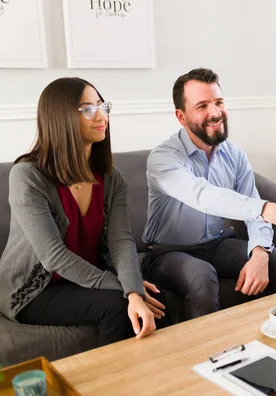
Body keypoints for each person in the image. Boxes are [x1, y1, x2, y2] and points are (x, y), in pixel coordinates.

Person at [141, 68, 276, 321]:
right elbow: (203, 196)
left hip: (216, 244)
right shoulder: (163, 158)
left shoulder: (234, 154)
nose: (215, 113)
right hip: (168, 252)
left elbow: (251, 204)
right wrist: (271, 210)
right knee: (201, 276)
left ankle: (273, 350)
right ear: (181, 116)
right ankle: (209, 357)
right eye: (202, 106)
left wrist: (259, 251)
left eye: (218, 102)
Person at [0, 77, 168, 346]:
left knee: (161, 300)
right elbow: (53, 256)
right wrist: (126, 289)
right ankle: (109, 386)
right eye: (88, 109)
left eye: (103, 106)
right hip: (36, 290)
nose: (102, 116)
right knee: (118, 305)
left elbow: (121, 242)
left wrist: (133, 289)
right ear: (60, 117)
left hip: (88, 278)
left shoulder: (112, 178)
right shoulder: (27, 176)